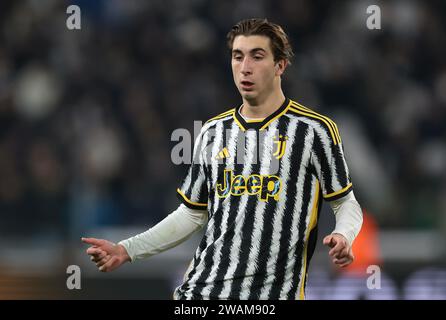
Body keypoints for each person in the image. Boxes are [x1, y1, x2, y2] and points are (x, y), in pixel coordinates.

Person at [82, 18, 363, 300]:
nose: (245, 67)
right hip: (201, 295)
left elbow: (345, 202)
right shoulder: (213, 132)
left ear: (280, 65)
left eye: (257, 56)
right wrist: (127, 249)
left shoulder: (313, 131)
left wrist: (344, 235)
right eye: (237, 56)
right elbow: (191, 214)